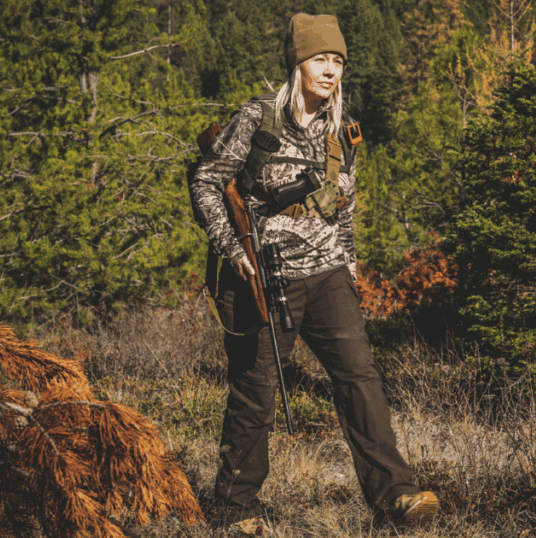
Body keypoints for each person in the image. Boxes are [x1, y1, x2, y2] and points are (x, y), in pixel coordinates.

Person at [188, 13, 439, 534]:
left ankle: (397, 496)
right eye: (320, 59)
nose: (330, 70)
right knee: (255, 392)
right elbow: (207, 181)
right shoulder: (258, 119)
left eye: (337, 61)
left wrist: (348, 269)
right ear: (298, 63)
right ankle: (236, 510)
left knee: (360, 381)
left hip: (327, 275)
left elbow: (343, 209)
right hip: (263, 275)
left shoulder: (340, 131)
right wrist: (232, 247)